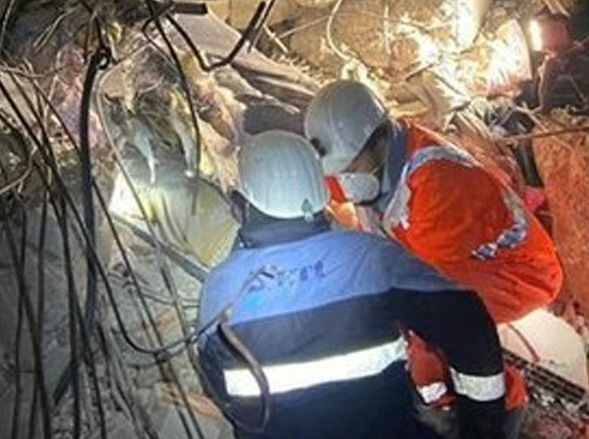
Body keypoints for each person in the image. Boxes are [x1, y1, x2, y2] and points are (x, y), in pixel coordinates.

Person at [196, 130, 507, 439]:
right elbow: (469, 325)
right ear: (321, 193)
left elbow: (222, 391)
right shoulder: (371, 259)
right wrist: (481, 426)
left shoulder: (218, 290)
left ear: (240, 205)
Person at [304, 80, 566, 427]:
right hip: (448, 257)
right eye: (340, 171)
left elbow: (432, 297)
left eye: (351, 167)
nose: (346, 181)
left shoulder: (437, 185)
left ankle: (504, 406)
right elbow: (327, 191)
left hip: (519, 272)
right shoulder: (369, 159)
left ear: (381, 138)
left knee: (433, 332)